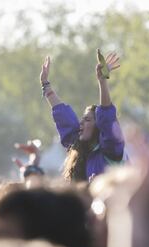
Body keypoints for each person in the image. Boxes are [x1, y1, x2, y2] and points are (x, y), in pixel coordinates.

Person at [40, 50, 125, 181]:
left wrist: (102, 82)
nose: (81, 123)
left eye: (87, 119)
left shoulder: (111, 150)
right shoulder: (79, 149)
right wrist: (45, 84)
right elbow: (65, 119)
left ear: (99, 126)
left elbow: (107, 119)